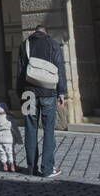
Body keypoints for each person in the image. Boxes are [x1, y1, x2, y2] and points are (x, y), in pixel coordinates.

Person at [16, 24, 67, 179]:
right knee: (48, 130)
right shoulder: (53, 44)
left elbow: (19, 71)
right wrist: (62, 92)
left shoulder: (25, 44)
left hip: (28, 93)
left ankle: (31, 168)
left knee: (30, 129)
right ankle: (47, 169)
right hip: (48, 92)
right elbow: (60, 68)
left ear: (35, 32)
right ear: (46, 32)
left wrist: (20, 93)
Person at [0, 100, 22, 172]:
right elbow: (15, 129)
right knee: (10, 152)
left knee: (2, 152)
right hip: (9, 139)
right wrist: (19, 139)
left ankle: (5, 166)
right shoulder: (9, 118)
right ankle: (13, 166)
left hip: (0, 139)